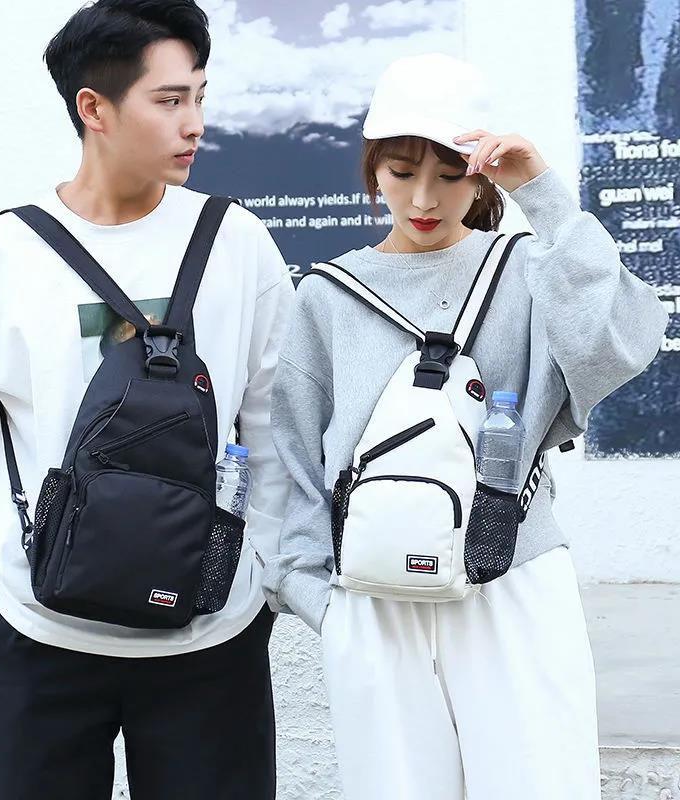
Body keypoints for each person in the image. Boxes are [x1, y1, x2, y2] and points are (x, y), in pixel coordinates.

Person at [0, 2, 293, 798]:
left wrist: (260, 580)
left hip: (208, 641)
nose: (195, 123)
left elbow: (275, 421)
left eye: (200, 97)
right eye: (169, 100)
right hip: (35, 635)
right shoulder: (2, 255)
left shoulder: (237, 241)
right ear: (95, 108)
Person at [263, 53, 668, 800]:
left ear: (480, 176)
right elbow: (289, 456)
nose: (423, 198)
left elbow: (618, 342)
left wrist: (541, 192)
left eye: (450, 175)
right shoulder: (327, 295)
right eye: (400, 172)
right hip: (374, 595)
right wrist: (320, 600)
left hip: (510, 578)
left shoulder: (528, 267)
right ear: (372, 169)